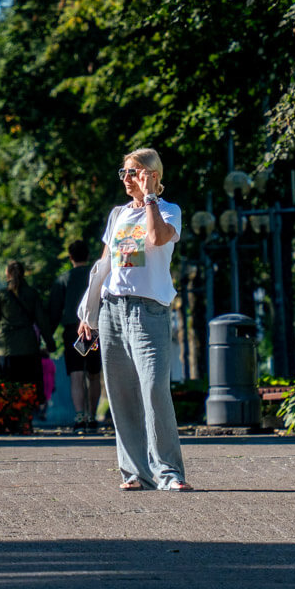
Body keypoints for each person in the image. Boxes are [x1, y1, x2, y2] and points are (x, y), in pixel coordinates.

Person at [77, 148, 193, 491]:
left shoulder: (169, 210)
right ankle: (135, 473)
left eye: (134, 173)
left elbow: (157, 238)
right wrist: (89, 311)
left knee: (155, 387)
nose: (126, 179)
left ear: (152, 175)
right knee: (121, 393)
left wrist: (151, 199)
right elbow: (103, 266)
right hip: (113, 309)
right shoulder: (118, 215)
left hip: (148, 310)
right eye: (124, 173)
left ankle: (169, 473)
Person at [49, 240, 103, 433]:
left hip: (73, 332)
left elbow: (54, 310)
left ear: (70, 257)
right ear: (88, 256)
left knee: (76, 375)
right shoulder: (96, 276)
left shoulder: (64, 279)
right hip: (95, 331)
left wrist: (48, 337)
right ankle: (92, 415)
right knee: (94, 374)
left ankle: (79, 416)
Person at [0, 261, 55, 421]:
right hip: (28, 347)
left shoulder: (1, 295)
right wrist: (50, 342)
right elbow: (42, 320)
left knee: (6, 384)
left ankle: (8, 417)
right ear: (23, 273)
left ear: (7, 274)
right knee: (29, 384)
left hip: (6, 347)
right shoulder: (32, 293)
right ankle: (26, 416)